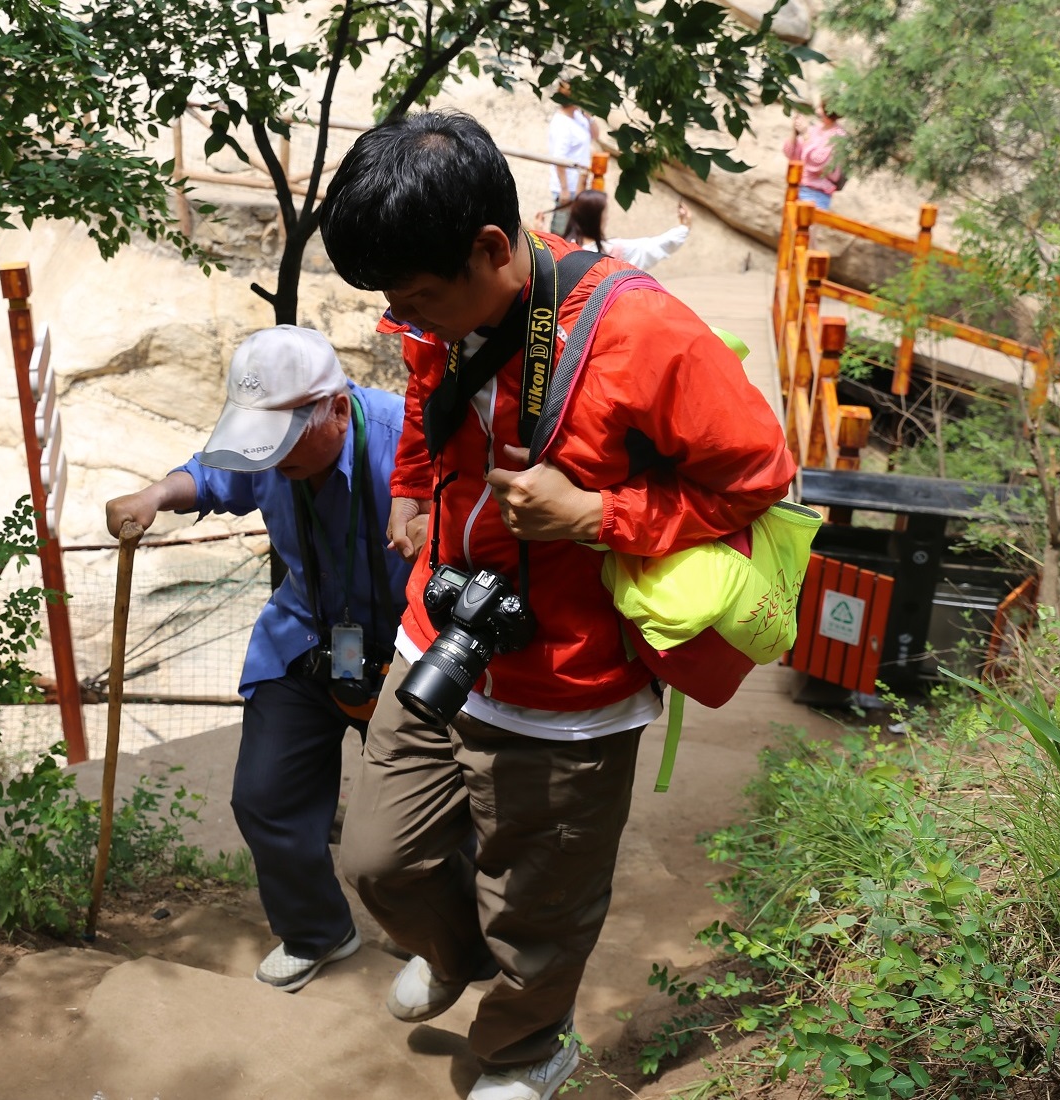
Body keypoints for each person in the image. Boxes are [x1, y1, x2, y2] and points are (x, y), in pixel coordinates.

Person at [318, 112, 795, 1100]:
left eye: (420, 300)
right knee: (379, 857)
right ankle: (454, 953)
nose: (410, 321)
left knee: (538, 898)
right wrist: (409, 490)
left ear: (493, 248)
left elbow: (758, 479)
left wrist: (596, 515)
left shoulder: (643, 333)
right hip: (441, 636)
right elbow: (428, 398)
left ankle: (525, 1046)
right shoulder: (439, 314)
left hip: (570, 680)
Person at [102, 326, 411, 994]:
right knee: (265, 796)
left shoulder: (406, 441)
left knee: (416, 814)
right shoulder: (268, 454)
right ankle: (317, 931)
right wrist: (153, 496)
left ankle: (439, 938)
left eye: (282, 439)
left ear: (335, 408)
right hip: (308, 635)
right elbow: (209, 477)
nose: (268, 457)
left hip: (409, 647)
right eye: (258, 440)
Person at [562, 188, 692, 272]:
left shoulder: (563, 250)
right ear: (597, 218)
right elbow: (655, 246)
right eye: (605, 212)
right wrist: (684, 227)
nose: (607, 217)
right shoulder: (612, 251)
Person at [544, 84, 605, 235]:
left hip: (580, 184)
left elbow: (596, 135)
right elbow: (559, 158)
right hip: (568, 186)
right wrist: (564, 189)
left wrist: (589, 116)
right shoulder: (562, 124)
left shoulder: (578, 116)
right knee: (561, 231)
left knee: (575, 230)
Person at [782, 102, 847, 210]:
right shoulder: (815, 129)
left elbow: (817, 163)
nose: (817, 111)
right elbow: (791, 154)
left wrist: (805, 135)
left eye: (820, 107)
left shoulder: (838, 136)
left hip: (816, 194)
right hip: (797, 188)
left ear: (830, 110)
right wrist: (795, 132)